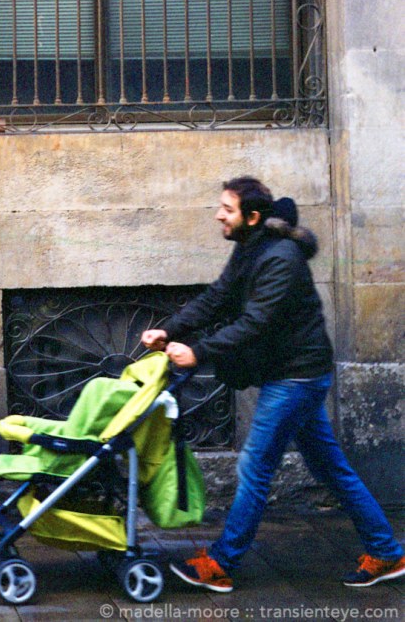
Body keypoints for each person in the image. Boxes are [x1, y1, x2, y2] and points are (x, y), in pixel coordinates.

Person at [142, 176, 405, 593]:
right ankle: (387, 552)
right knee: (330, 467)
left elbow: (255, 323)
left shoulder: (280, 257)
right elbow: (217, 298)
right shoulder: (250, 248)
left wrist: (199, 352)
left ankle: (222, 563)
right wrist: (168, 330)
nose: (218, 215)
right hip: (290, 374)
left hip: (297, 376)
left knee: (254, 467)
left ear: (252, 217)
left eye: (226, 209)